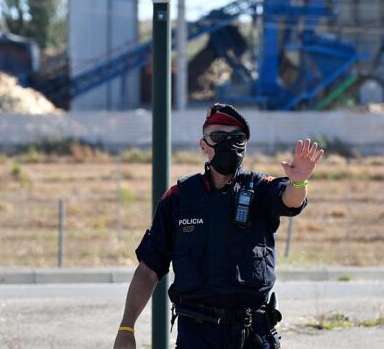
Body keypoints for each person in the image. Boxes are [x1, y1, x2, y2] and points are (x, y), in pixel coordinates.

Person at [113, 103, 324, 349]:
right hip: (197, 336)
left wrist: (299, 183)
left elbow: (290, 200)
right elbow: (149, 269)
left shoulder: (260, 188)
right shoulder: (178, 199)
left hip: (252, 335)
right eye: (218, 137)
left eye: (237, 137)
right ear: (204, 146)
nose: (228, 143)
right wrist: (126, 327)